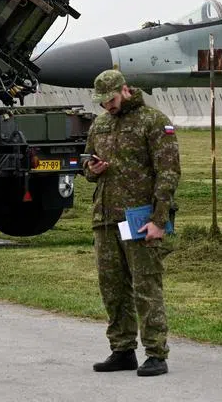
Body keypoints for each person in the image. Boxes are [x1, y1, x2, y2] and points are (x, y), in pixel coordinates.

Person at [84, 69, 180, 377]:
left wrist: (159, 220)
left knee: (145, 285)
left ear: (124, 90)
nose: (106, 107)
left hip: (139, 219)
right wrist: (92, 168)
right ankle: (122, 350)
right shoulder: (100, 124)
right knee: (112, 288)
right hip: (106, 218)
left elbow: (168, 172)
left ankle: (156, 353)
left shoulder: (153, 121)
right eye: (102, 102)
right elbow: (86, 161)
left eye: (110, 100)